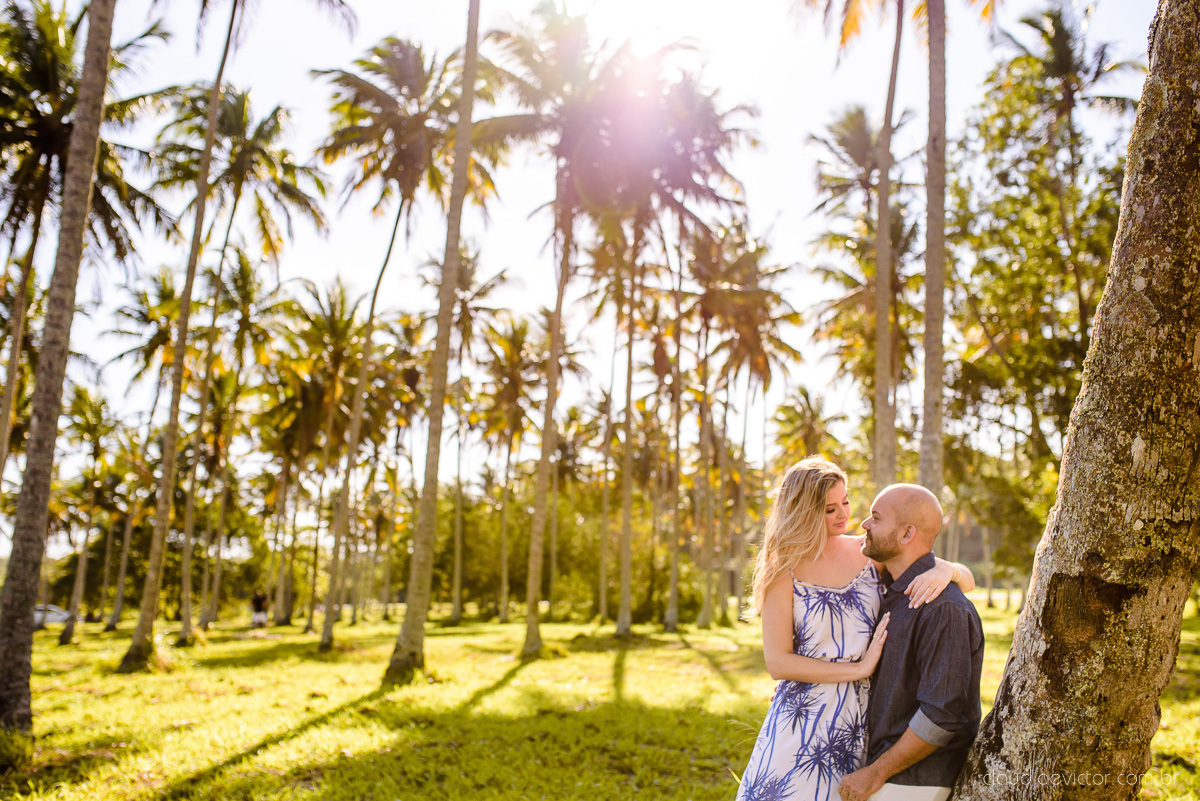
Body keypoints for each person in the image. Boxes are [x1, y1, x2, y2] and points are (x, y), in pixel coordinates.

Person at [736, 458, 975, 801]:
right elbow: (778, 663)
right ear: (803, 512)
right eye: (829, 509)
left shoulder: (868, 553)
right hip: (801, 719)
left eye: (845, 501)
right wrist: (858, 670)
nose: (843, 514)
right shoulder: (782, 570)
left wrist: (946, 571)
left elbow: (960, 578)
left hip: (859, 721)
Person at [837, 485, 984, 801]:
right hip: (886, 769)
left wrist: (876, 773)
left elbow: (941, 715)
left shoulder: (943, 607)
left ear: (906, 534)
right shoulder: (891, 590)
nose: (864, 524)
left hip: (914, 782)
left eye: (876, 517)